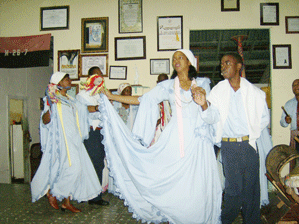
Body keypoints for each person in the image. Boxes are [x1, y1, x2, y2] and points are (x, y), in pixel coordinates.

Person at [99, 49, 222, 223]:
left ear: (190, 62)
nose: (176, 61)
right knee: (171, 180)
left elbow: (211, 114)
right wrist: (112, 96)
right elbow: (143, 99)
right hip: (173, 139)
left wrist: (203, 103)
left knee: (197, 184)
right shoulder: (167, 86)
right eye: (174, 58)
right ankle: (177, 215)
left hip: (197, 140)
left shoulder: (203, 83)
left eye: (180, 57)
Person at [196, 53, 270, 223]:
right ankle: (224, 220)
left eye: (227, 63)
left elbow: (264, 119)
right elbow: (211, 117)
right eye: (221, 63)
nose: (223, 67)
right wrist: (204, 105)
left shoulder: (255, 93)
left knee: (252, 191)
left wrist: (250, 133)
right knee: (233, 191)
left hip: (248, 145)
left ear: (238, 66)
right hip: (229, 147)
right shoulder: (218, 91)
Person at [31, 72, 101, 213]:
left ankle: (66, 202)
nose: (69, 81)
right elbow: (45, 120)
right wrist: (50, 109)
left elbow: (84, 110)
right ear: (58, 82)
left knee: (76, 169)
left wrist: (100, 107)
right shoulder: (51, 99)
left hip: (74, 139)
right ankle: (52, 191)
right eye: (66, 79)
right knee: (73, 168)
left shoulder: (71, 99)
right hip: (62, 140)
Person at [76, 66, 109, 206]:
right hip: (90, 132)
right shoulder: (82, 95)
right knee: (92, 163)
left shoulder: (101, 94)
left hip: (101, 132)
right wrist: (97, 107)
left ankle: (96, 194)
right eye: (97, 76)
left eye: (101, 76)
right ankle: (93, 196)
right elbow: (84, 110)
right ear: (90, 78)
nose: (100, 78)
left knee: (100, 163)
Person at [150, 73, 172, 145]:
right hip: (157, 130)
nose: (163, 84)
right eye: (161, 81)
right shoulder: (153, 96)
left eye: (165, 81)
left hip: (171, 129)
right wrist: (158, 121)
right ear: (157, 83)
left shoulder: (172, 95)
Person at [280, 79, 299, 151]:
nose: (296, 86)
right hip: (295, 136)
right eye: (294, 85)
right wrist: (286, 120)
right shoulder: (289, 104)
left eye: (298, 84)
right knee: (294, 159)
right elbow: (282, 123)